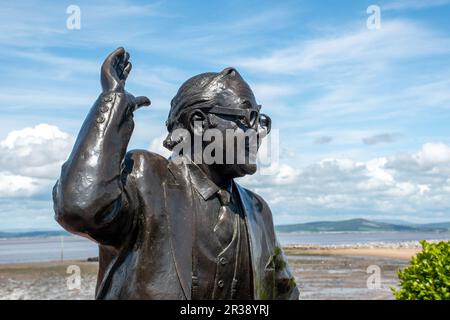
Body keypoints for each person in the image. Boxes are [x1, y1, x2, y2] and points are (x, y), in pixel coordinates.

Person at [53, 47, 299, 300]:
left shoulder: (258, 210)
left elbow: (283, 291)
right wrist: (113, 103)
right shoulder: (144, 176)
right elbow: (80, 208)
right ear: (199, 123)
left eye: (261, 121)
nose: (258, 132)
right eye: (248, 118)